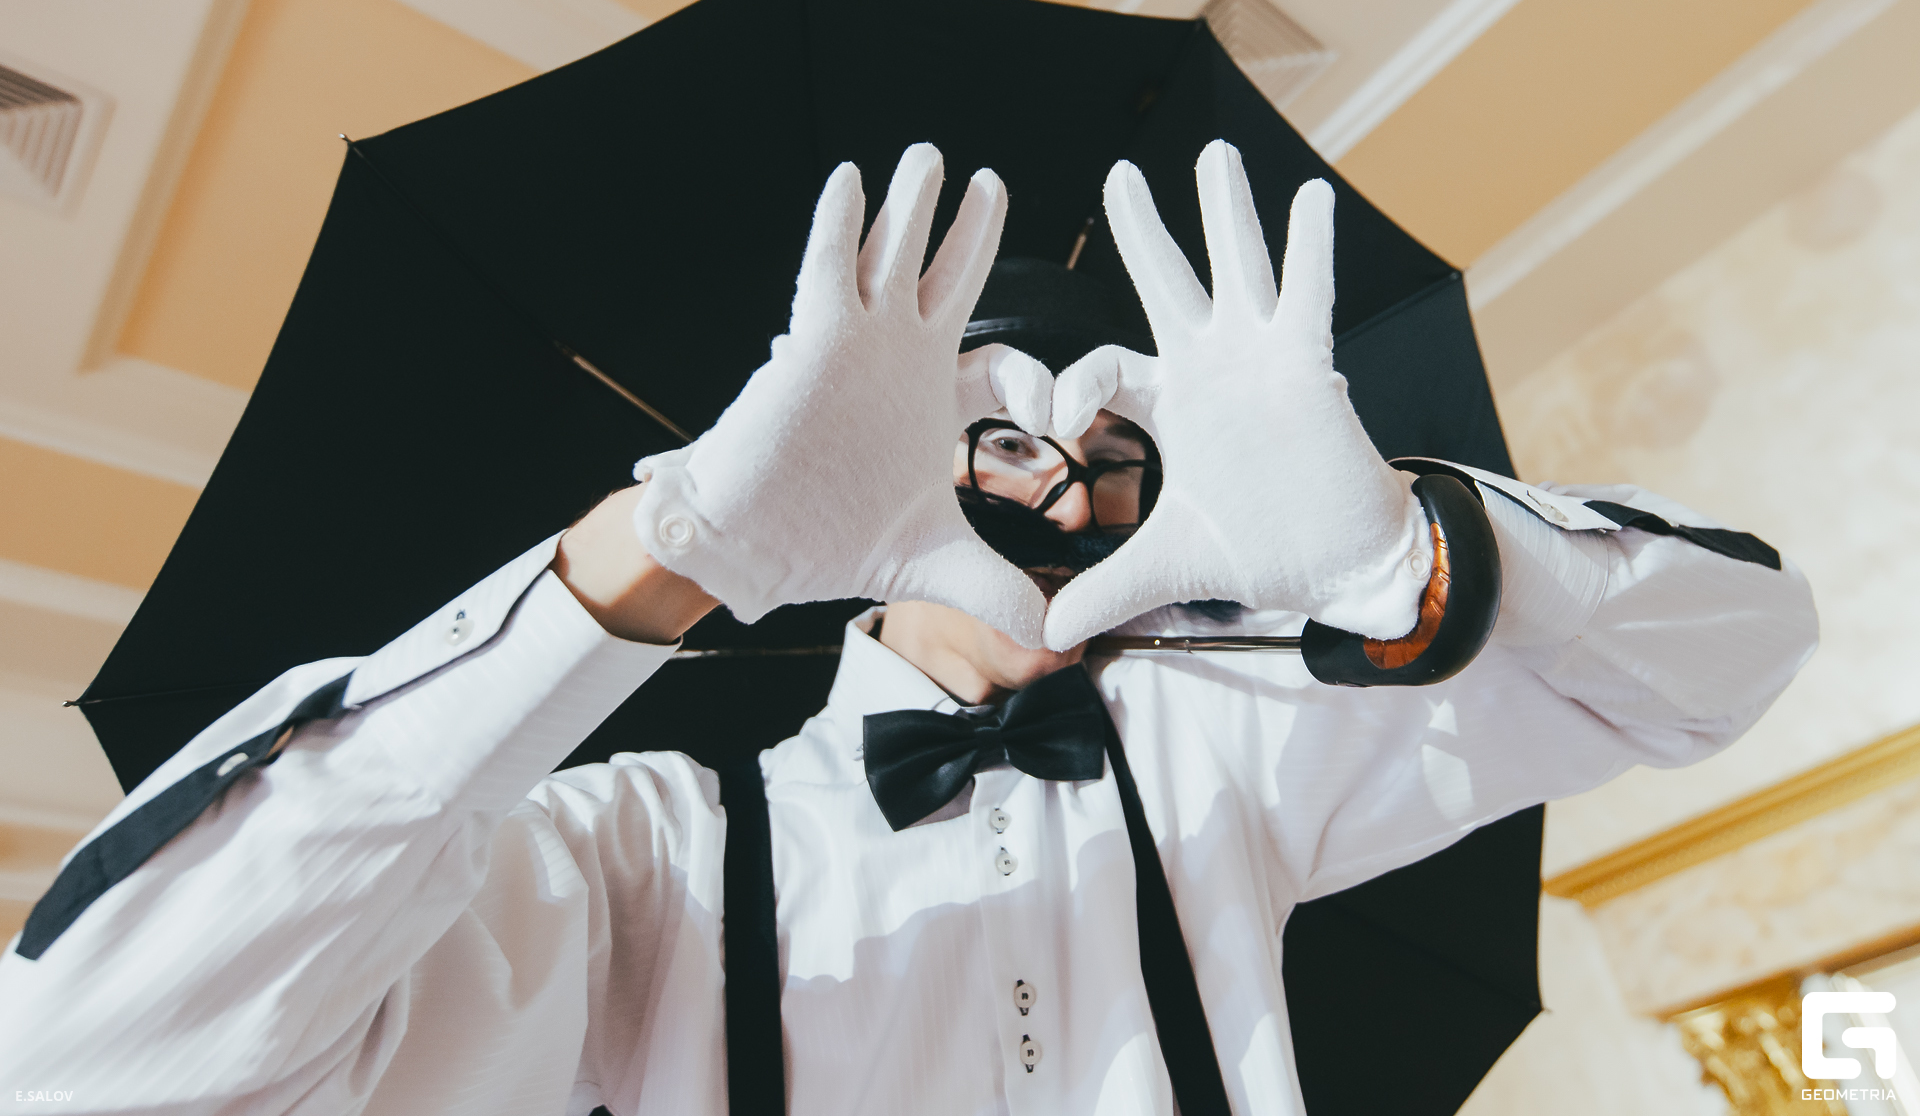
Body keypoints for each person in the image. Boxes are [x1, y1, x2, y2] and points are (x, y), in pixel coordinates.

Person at [0, 141, 1817, 1116]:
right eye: (998, 436)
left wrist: (1393, 549)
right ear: (866, 464)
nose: (1060, 491)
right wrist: (665, 550)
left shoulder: (1252, 741)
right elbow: (93, 1062)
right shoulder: (640, 852)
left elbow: (1735, 658)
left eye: (1115, 453)